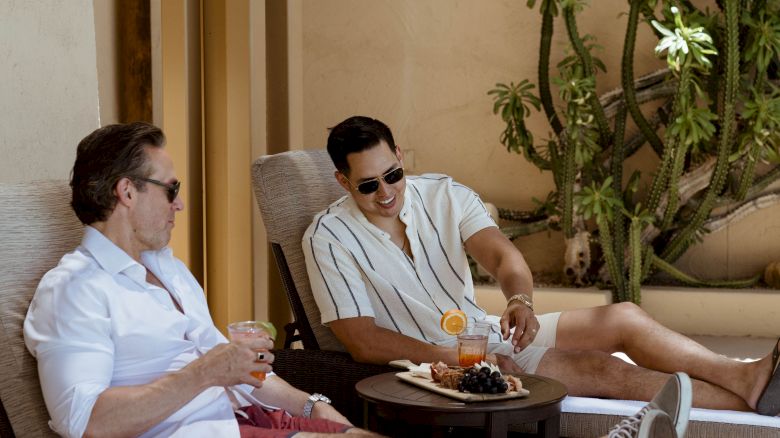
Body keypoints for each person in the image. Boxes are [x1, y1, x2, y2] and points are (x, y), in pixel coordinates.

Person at [302, 115, 780, 415]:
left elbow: (502, 255)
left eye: (393, 175)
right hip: (432, 365)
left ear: (400, 157)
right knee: (602, 369)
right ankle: (753, 402)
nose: (386, 193)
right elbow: (362, 341)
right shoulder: (326, 238)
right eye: (368, 186)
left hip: (484, 332)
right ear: (343, 181)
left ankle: (744, 376)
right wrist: (453, 360)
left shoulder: (443, 194)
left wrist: (520, 300)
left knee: (624, 317)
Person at [24, 122, 379, 438]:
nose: (179, 205)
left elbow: (237, 370)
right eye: (171, 189)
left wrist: (311, 407)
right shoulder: (74, 289)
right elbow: (86, 422)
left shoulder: (169, 269)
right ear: (127, 192)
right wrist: (206, 372)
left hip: (252, 417)